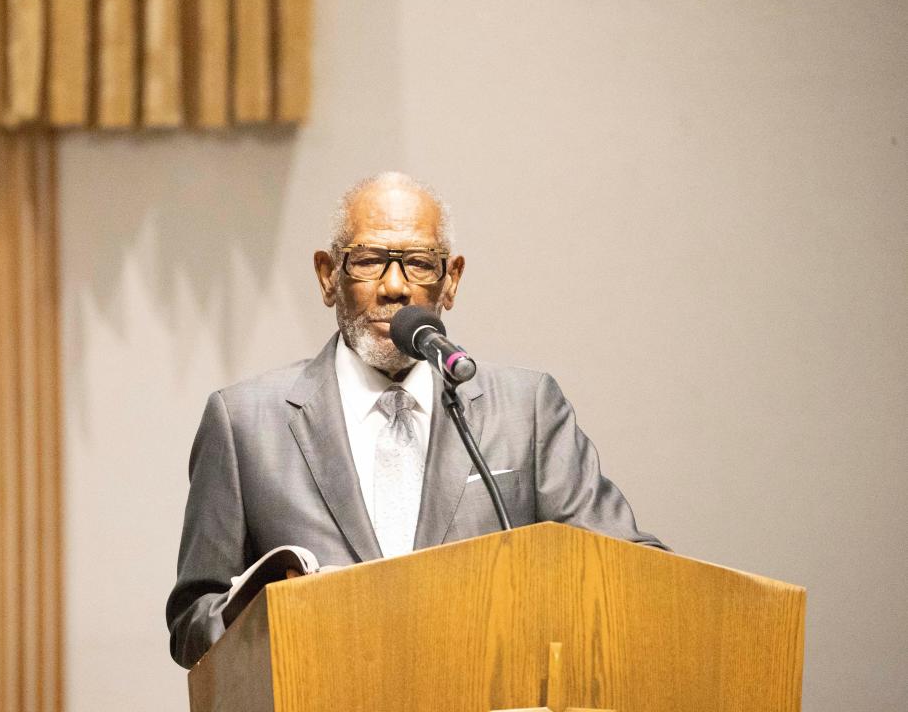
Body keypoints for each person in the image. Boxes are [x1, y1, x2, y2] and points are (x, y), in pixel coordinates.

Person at [166, 172, 664, 669]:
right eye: (368, 261)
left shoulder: (526, 409)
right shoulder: (245, 424)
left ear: (450, 282)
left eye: (420, 265)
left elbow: (630, 569)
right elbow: (192, 624)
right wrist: (265, 614)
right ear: (327, 276)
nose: (395, 287)